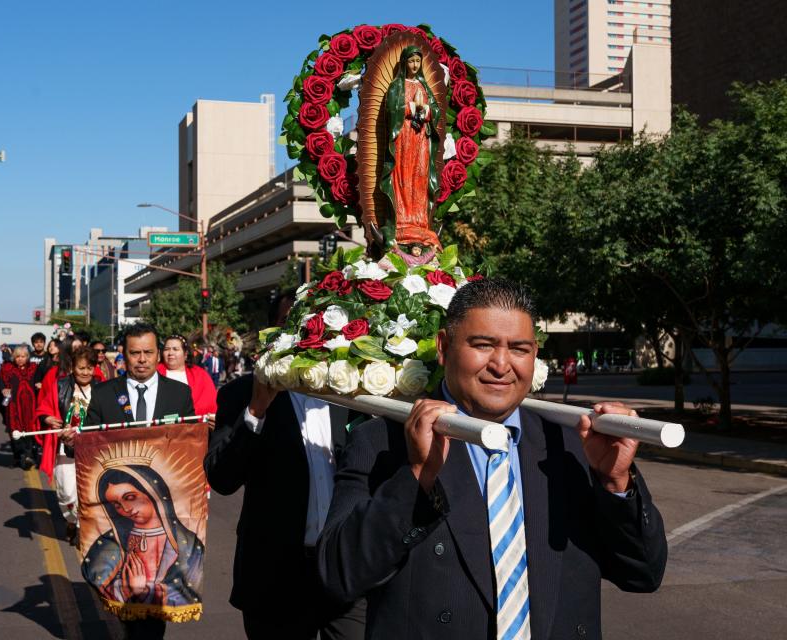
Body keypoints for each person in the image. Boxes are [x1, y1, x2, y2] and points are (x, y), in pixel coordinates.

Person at [317, 278, 668, 639]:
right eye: (482, 345)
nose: (501, 365)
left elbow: (643, 573)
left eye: (519, 348)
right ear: (444, 346)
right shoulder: (383, 441)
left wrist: (615, 484)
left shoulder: (573, 445)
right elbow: (338, 575)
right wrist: (417, 476)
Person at [205, 294, 366, 640]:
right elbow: (222, 478)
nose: (310, 330)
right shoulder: (242, 393)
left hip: (343, 571)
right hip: (275, 576)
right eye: (295, 321)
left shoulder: (355, 390)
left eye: (319, 321)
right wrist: (256, 412)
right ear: (275, 331)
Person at [85, 322, 194, 640]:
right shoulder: (105, 394)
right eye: (135, 353)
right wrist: (72, 439)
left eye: (148, 352)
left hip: (165, 513)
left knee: (154, 601)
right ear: (124, 354)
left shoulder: (179, 394)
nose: (142, 359)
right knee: (129, 597)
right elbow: (88, 446)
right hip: (121, 516)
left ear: (158, 353)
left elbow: (190, 449)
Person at [82, 462, 204, 607]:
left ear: (151, 492)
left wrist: (144, 592)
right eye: (116, 505)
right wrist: (126, 590)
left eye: (130, 497)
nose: (126, 509)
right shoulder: (109, 541)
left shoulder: (188, 543)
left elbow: (190, 589)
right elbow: (95, 576)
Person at [379, 45, 442, 252]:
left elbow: (436, 111)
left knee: (421, 177)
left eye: (418, 62)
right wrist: (409, 108)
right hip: (404, 139)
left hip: (421, 139)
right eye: (411, 61)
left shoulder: (424, 86)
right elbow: (392, 109)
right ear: (404, 62)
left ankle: (420, 222)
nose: (415, 65)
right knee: (403, 176)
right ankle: (402, 220)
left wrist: (426, 111)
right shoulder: (397, 86)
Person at [37, 346, 97, 545]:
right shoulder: (59, 386)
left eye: (89, 368)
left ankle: (83, 528)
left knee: (90, 493)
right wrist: (47, 418)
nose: (85, 372)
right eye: (81, 368)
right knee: (67, 493)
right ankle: (71, 521)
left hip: (93, 450)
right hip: (65, 450)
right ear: (72, 367)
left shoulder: (103, 387)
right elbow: (43, 408)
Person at [0, 345, 39, 469]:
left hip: (31, 405)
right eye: (18, 357)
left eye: (23, 356)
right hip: (14, 405)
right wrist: (3, 388)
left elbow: (43, 379)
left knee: (31, 430)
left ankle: (30, 455)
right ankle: (19, 456)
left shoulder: (34, 368)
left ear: (27, 357)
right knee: (16, 430)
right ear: (14, 357)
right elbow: (0, 380)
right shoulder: (8, 368)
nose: (20, 359)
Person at [157, 334, 217, 419]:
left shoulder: (200, 375)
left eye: (175, 349)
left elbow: (210, 403)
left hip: (194, 427)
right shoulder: (154, 372)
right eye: (167, 349)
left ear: (185, 354)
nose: (170, 353)